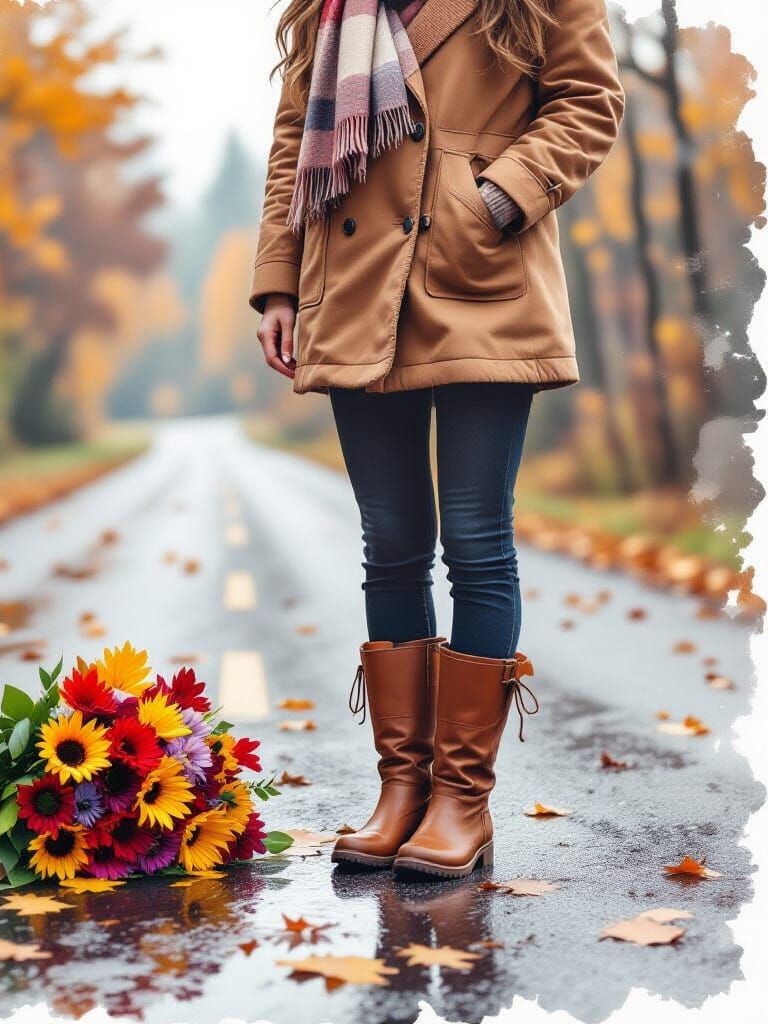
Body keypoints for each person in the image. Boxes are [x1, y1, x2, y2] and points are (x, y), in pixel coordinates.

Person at [250, 0, 624, 879]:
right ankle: (401, 792)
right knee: (390, 543)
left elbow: (589, 99)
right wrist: (276, 282)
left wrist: (495, 197)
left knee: (477, 540)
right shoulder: (330, 9)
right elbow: (291, 139)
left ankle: (462, 801)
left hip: (478, 277)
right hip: (349, 279)